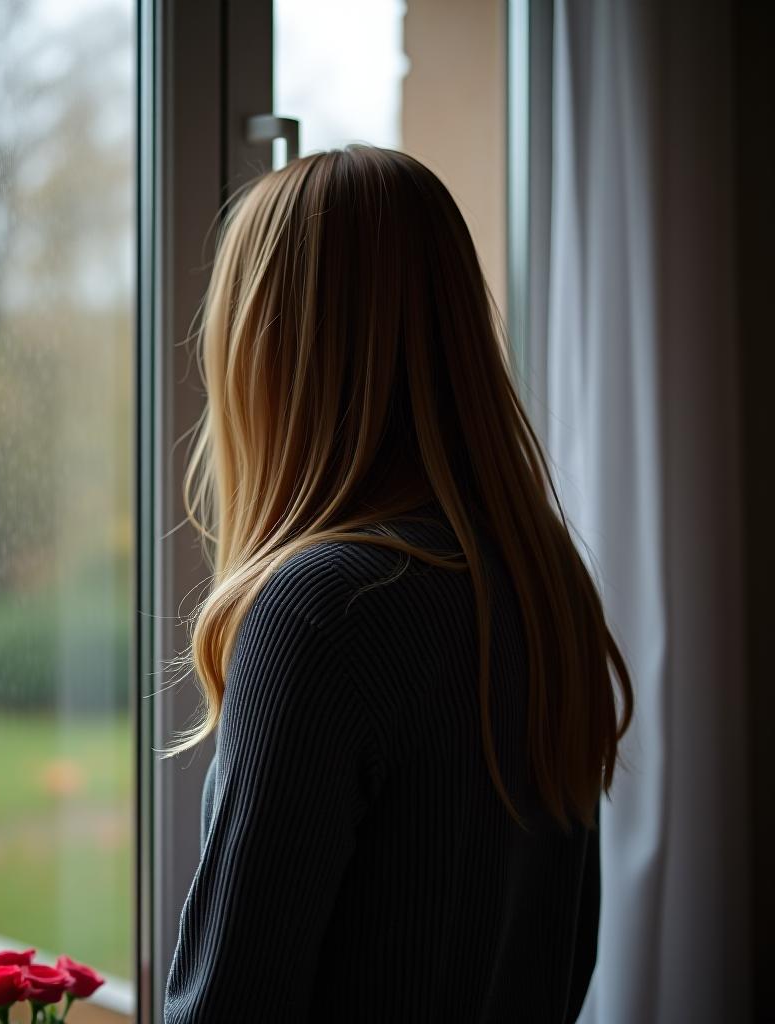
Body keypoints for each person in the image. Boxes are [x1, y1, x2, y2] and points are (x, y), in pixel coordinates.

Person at [161, 145, 633, 1023]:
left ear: (261, 361)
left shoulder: (324, 610)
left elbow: (229, 1004)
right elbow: (566, 956)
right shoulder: (543, 587)